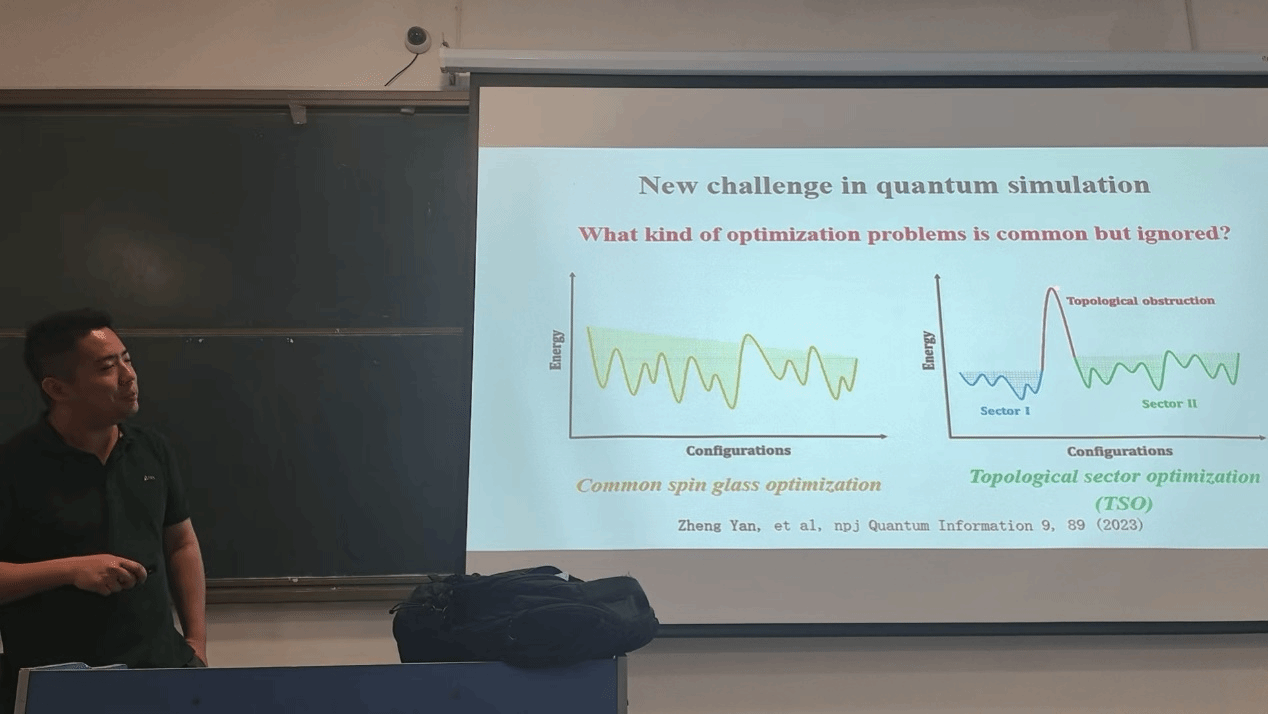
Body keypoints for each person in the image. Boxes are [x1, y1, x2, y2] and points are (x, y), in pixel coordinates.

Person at [0, 308, 206, 711]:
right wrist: (70, 570)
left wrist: (196, 642)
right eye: (107, 367)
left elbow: (181, 543)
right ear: (58, 388)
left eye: (127, 359)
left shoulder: (152, 450)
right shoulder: (13, 466)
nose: (129, 376)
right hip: (60, 685)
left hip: (163, 672)